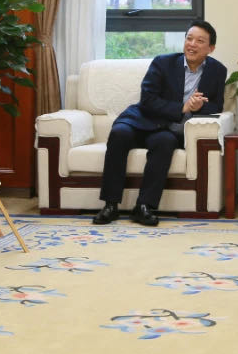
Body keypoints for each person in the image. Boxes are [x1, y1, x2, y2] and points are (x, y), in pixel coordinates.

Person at [94, 21, 226, 227]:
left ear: (211, 48)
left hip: (169, 129)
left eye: (200, 41)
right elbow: (147, 99)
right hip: (142, 119)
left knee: (164, 142)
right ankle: (110, 205)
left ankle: (144, 206)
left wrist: (199, 107)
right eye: (189, 38)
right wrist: (182, 107)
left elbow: (217, 105)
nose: (192, 44)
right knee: (119, 133)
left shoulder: (217, 71)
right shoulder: (163, 63)